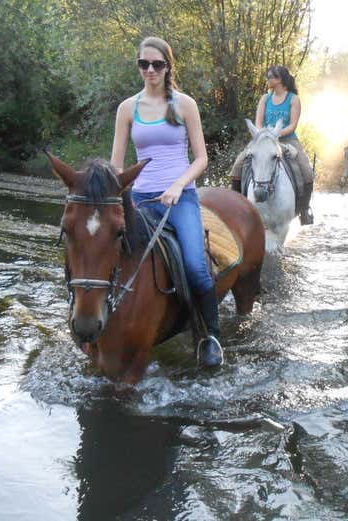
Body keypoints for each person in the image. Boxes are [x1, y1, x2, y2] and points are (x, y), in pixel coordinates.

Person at [110, 36, 223, 367]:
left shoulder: (185, 104)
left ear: (168, 66)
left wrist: (178, 185)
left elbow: (201, 158)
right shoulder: (127, 109)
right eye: (143, 64)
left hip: (179, 197)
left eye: (156, 64)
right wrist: (116, 195)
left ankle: (210, 337)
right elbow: (117, 164)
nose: (149, 70)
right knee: (107, 257)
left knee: (195, 267)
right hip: (140, 198)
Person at [230, 65, 314, 225]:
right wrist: (266, 136)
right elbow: (258, 123)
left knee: (306, 171)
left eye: (270, 77)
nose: (267, 80)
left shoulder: (293, 99)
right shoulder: (265, 98)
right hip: (263, 140)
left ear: (280, 79)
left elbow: (292, 125)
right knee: (237, 167)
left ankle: (304, 210)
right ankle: (238, 208)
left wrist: (275, 135)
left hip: (287, 139)